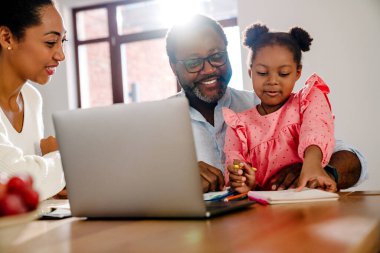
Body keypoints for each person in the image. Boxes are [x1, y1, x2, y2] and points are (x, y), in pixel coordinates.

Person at [165, 14, 367, 192]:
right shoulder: (157, 124)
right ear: (174, 67)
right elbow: (135, 188)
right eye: (193, 62)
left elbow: (354, 159)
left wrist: (318, 169)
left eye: (217, 56)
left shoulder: (270, 105)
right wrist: (178, 180)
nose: (209, 69)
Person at [223, 23, 337, 193]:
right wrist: (243, 180)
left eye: (283, 73)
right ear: (250, 73)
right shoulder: (239, 125)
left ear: (298, 73)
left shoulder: (308, 101)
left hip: (308, 201)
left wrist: (313, 165)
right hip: (265, 211)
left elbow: (316, 128)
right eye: (262, 73)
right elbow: (235, 161)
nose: (272, 81)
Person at [0, 0, 66, 200]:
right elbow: (15, 183)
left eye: (63, 42)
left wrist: (53, 184)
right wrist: (65, 157)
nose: (61, 55)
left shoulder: (31, 98)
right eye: (50, 42)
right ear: (7, 37)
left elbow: (35, 178)